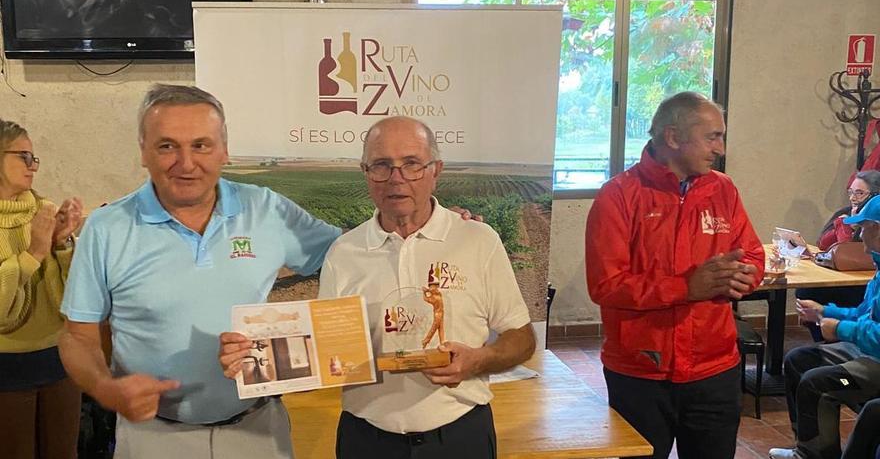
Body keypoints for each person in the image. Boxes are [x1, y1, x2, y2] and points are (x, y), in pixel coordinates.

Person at [220, 115, 535, 459]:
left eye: (412, 164)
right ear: (366, 174)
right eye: (381, 165)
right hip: (367, 441)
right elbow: (324, 351)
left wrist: (479, 360)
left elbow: (521, 338)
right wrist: (254, 354)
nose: (396, 178)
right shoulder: (344, 252)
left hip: (460, 437)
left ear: (436, 171)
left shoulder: (477, 240)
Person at [58, 84, 342, 459]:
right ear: (143, 151)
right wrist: (104, 387)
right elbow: (77, 337)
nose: (186, 163)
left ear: (224, 150)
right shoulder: (107, 228)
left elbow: (351, 258)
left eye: (201, 145)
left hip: (259, 431)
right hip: (152, 438)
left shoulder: (267, 210)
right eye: (167, 146)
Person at [585, 91, 765, 459]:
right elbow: (606, 285)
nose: (721, 148)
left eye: (721, 136)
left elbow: (752, 254)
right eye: (712, 136)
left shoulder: (723, 189)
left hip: (715, 369)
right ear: (672, 137)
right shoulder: (618, 196)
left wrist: (745, 275)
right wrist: (687, 287)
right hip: (641, 374)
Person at [769, 195, 880, 459]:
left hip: (875, 359)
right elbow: (865, 314)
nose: (858, 234)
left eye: (862, 227)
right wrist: (824, 312)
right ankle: (806, 449)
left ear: (876, 228)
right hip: (867, 350)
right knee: (798, 361)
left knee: (818, 384)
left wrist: (840, 328)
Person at [0, 119, 83, 459]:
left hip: (58, 356)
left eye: (34, 157)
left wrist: (62, 244)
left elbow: (72, 297)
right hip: (7, 364)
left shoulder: (43, 210)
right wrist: (33, 252)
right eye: (24, 156)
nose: (33, 166)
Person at [795, 170, 880, 340]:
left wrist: (840, 329)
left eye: (859, 193)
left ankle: (832, 338)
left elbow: (844, 249)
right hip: (854, 280)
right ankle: (828, 338)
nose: (853, 197)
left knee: (810, 292)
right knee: (806, 292)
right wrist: (843, 221)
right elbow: (823, 243)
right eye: (851, 192)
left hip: (858, 280)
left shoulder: (871, 217)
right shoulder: (848, 212)